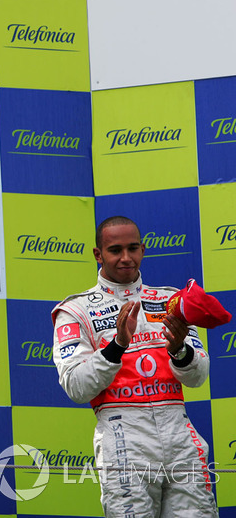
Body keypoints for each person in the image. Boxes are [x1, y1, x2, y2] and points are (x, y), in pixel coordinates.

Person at [51, 216, 218, 517]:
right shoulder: (76, 310)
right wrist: (117, 345)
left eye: (132, 248)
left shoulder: (172, 301)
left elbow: (199, 376)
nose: (126, 258)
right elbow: (76, 386)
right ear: (98, 255)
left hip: (180, 433)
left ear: (143, 249)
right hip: (123, 434)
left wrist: (179, 349)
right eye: (115, 250)